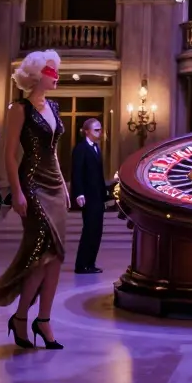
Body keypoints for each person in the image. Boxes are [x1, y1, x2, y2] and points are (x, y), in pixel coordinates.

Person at [0, 50, 67, 350]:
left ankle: (43, 320)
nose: (56, 75)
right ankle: (20, 317)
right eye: (51, 71)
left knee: (56, 255)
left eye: (56, 70)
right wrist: (16, 191)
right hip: (32, 184)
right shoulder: (19, 109)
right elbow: (9, 155)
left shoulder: (54, 107)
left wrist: (64, 185)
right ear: (36, 75)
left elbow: (53, 151)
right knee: (41, 254)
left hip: (55, 184)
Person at [71, 117, 107, 274]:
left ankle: (90, 263)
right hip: (88, 196)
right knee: (90, 230)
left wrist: (104, 195)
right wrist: (79, 193)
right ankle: (82, 264)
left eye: (100, 129)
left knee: (96, 231)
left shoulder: (96, 148)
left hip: (97, 196)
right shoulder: (81, 148)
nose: (100, 132)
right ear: (87, 131)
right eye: (96, 130)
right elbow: (76, 172)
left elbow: (98, 175)